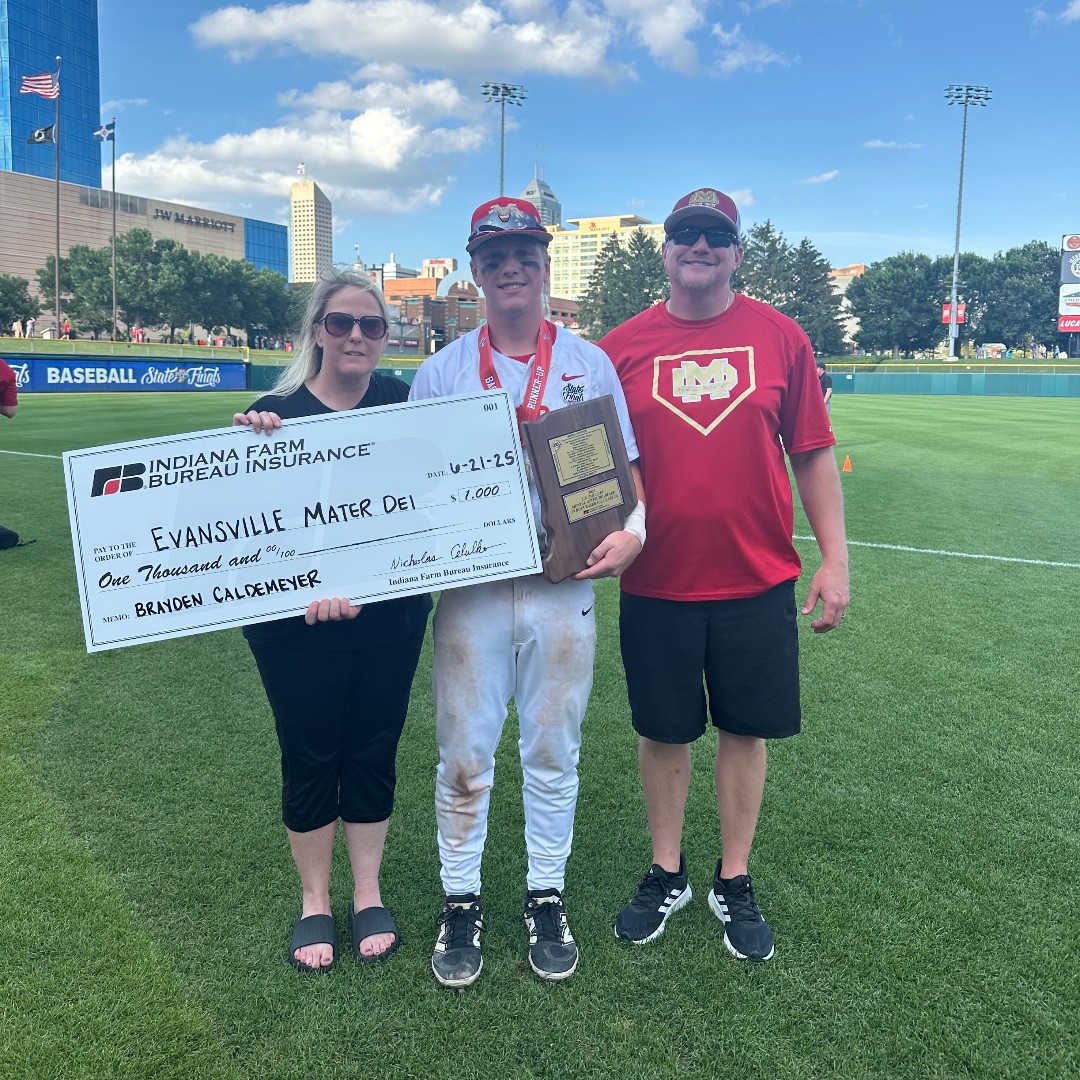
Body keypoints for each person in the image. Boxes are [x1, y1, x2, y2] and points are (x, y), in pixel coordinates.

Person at [600, 187, 849, 962]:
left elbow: (810, 449)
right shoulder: (620, 348)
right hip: (656, 581)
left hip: (756, 578)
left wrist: (835, 558)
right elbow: (593, 460)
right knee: (662, 732)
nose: (699, 246)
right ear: (665, 250)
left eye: (715, 235)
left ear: (736, 252)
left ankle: (732, 878)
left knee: (745, 731)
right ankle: (666, 869)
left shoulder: (780, 336)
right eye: (685, 234)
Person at [409, 197, 644, 987]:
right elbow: (414, 484)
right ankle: (461, 899)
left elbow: (623, 475)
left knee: (553, 749)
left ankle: (546, 893)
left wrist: (634, 531)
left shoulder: (587, 360)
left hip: (561, 582)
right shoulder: (441, 370)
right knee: (465, 754)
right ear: (474, 271)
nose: (511, 267)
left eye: (525, 254)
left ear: (545, 267)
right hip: (471, 593)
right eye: (494, 256)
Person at [232, 268, 431, 971]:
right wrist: (246, 448)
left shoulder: (406, 403)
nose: (355, 336)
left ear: (385, 337)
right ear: (317, 329)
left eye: (370, 326)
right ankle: (315, 901)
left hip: (390, 615)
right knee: (311, 750)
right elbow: (246, 535)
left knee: (373, 747)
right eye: (341, 322)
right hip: (295, 625)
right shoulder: (272, 413)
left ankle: (367, 891)